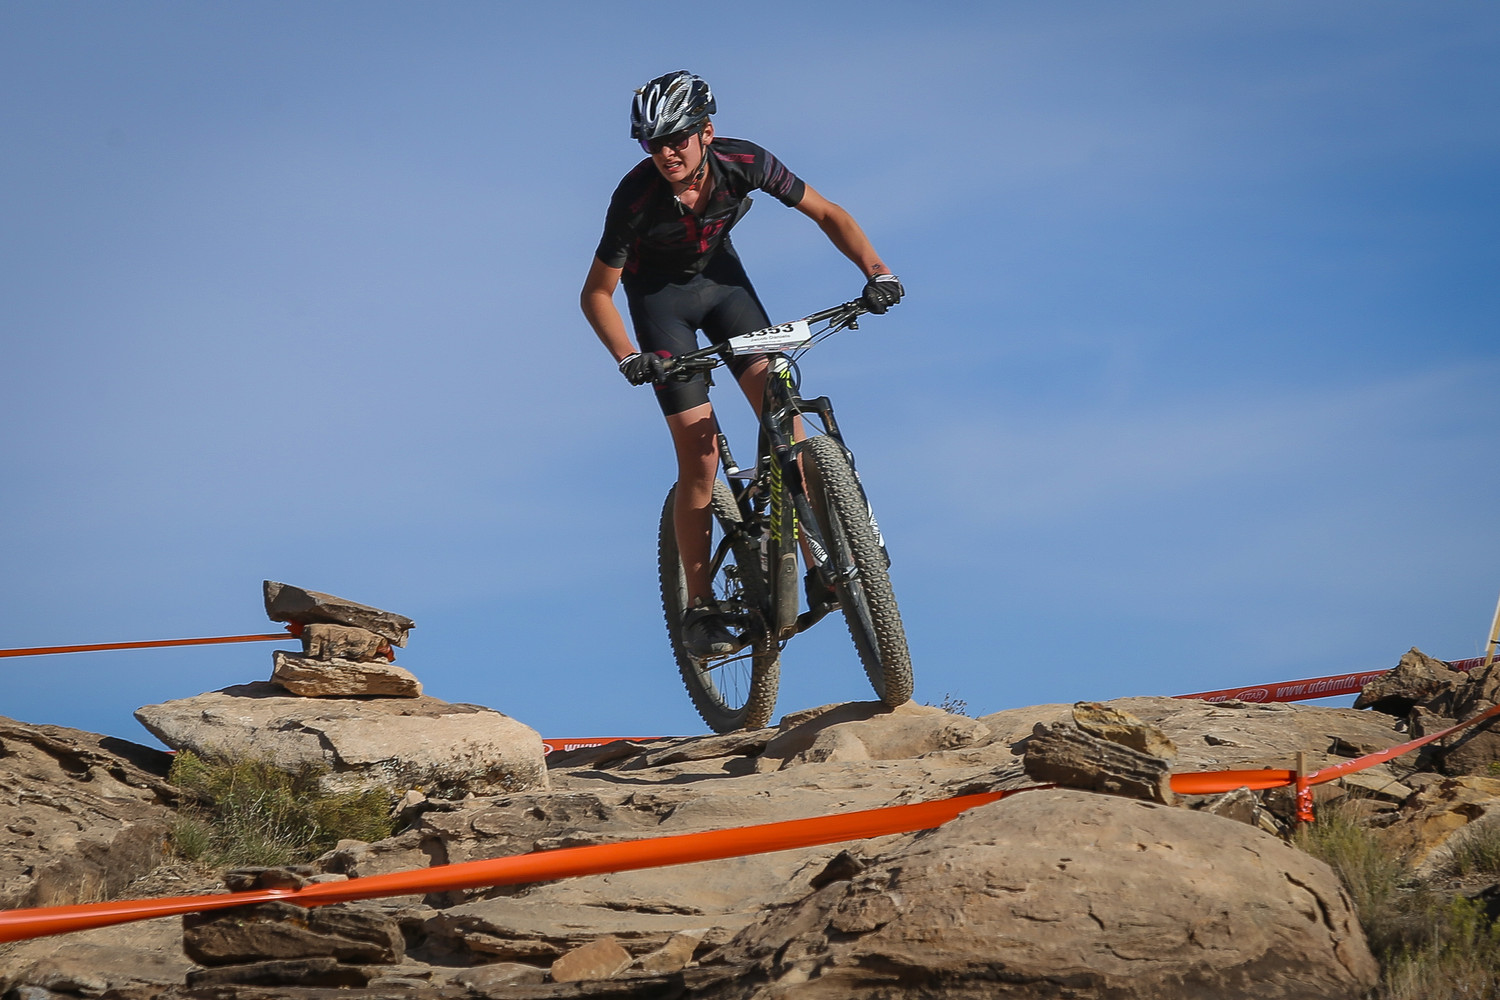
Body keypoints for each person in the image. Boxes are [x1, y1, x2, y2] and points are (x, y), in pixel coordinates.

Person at [580, 70, 903, 658]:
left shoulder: (744, 161)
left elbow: (827, 213)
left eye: (676, 138)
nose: (666, 153)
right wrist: (629, 357)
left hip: (726, 289)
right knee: (699, 456)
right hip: (660, 306)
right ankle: (701, 606)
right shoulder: (634, 197)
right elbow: (597, 293)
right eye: (653, 143)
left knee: (787, 422)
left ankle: (822, 564)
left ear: (706, 132)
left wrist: (877, 272)